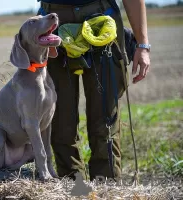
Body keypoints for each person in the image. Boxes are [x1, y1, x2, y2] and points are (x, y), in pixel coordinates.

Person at [36, 0, 151, 181]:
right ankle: (74, 187)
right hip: (53, 23)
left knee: (105, 120)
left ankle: (106, 185)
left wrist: (143, 45)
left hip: (102, 21)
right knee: (60, 122)